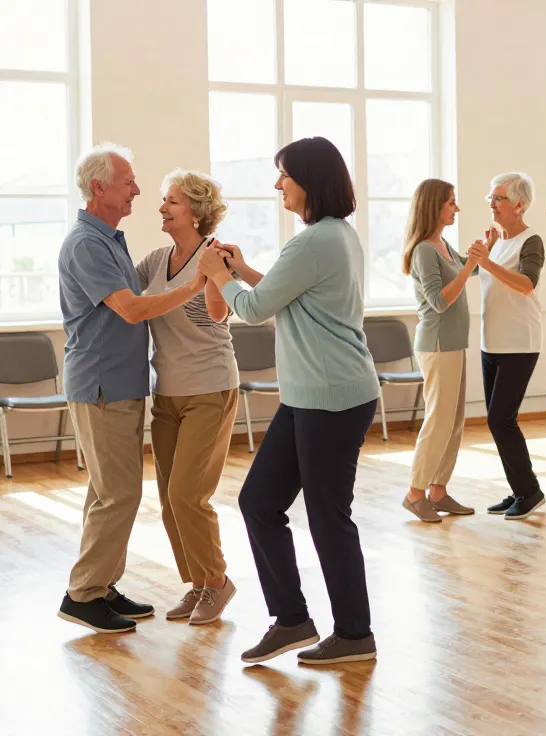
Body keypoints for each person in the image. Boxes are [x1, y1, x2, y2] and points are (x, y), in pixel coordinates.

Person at [196, 136, 381, 666]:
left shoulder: (316, 241)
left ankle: (354, 633)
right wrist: (241, 270)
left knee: (327, 516)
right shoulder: (331, 237)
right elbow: (283, 294)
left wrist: (219, 276)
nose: (277, 185)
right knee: (258, 502)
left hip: (331, 397)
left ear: (309, 180)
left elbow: (253, 310)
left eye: (283, 175)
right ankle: (293, 619)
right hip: (312, 395)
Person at [56, 143, 207, 634]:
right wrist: (192, 287)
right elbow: (131, 308)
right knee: (118, 495)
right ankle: (83, 594)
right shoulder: (86, 243)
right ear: (99, 188)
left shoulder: (111, 239)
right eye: (128, 182)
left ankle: (100, 585)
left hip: (120, 382)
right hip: (101, 385)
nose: (138, 191)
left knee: (108, 492)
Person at [135, 169, 240, 625]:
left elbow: (219, 315)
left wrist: (213, 280)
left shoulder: (213, 256)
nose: (162, 207)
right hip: (168, 393)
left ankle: (217, 582)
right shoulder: (155, 260)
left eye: (171, 201)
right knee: (167, 497)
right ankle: (197, 585)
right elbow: (128, 299)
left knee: (188, 495)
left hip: (210, 387)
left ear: (196, 212)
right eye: (164, 200)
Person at [398, 179, 484, 522]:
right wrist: (467, 266)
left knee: (454, 422)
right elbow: (439, 301)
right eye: (451, 202)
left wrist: (482, 252)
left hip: (454, 344)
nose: (456, 208)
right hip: (436, 345)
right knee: (438, 420)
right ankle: (415, 493)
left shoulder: (442, 243)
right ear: (434, 206)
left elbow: (470, 270)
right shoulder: (423, 250)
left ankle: (438, 490)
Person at [479, 172, 546, 519]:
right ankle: (519, 489)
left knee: (500, 420)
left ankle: (529, 491)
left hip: (519, 343)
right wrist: (489, 252)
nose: (491, 204)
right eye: (490, 198)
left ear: (519, 204)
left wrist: (487, 260)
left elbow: (526, 284)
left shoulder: (531, 240)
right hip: (490, 343)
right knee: (498, 421)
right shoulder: (498, 241)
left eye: (498, 198)